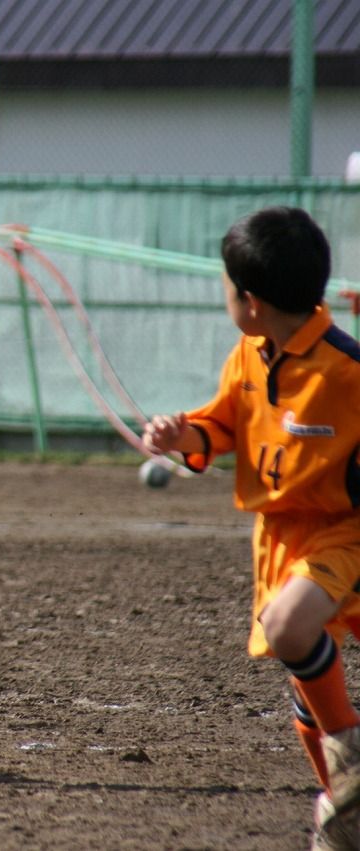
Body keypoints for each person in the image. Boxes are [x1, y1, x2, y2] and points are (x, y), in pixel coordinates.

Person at [142, 207, 360, 849]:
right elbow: (223, 427)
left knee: (289, 628)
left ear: (252, 301)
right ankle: (346, 814)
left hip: (343, 531)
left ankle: (350, 752)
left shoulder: (346, 372)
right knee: (303, 691)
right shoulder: (248, 354)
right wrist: (184, 434)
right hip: (277, 539)